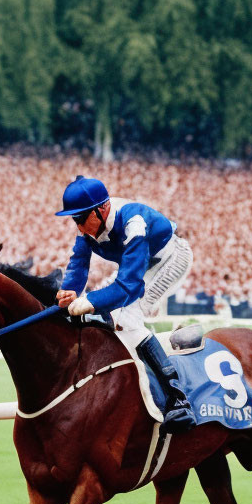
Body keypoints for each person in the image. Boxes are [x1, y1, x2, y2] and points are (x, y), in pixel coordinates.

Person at [55, 176, 196, 434]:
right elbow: (78, 264)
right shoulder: (88, 227)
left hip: (169, 259)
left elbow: (129, 286)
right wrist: (70, 291)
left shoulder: (134, 223)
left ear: (103, 208)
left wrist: (89, 302)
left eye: (81, 219)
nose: (78, 226)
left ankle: (178, 399)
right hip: (139, 264)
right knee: (105, 310)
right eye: (74, 220)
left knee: (128, 319)